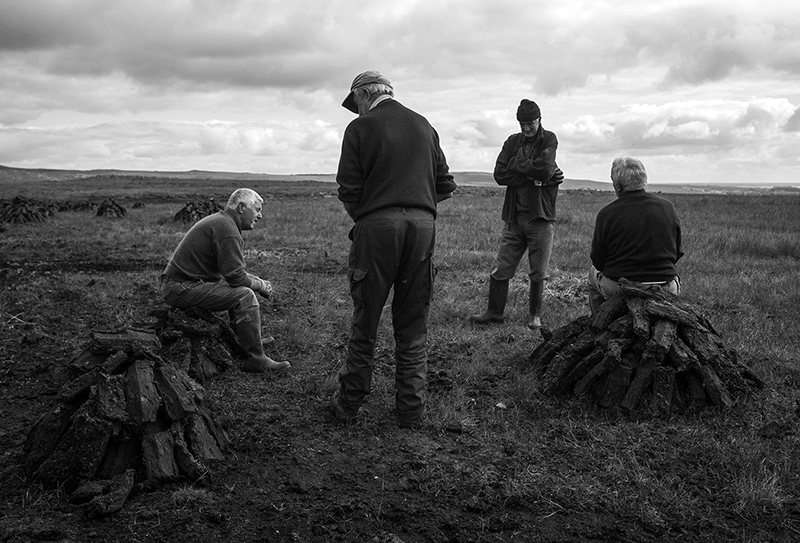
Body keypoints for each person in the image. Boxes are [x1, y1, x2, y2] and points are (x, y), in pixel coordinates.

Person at [330, 70, 457, 428]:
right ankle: (411, 411)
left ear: (364, 95)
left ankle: (348, 405)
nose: (356, 110)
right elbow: (445, 185)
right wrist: (417, 209)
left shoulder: (359, 129)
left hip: (377, 229)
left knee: (366, 319)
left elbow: (348, 190)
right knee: (413, 323)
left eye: (355, 103)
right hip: (423, 228)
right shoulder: (424, 126)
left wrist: (372, 218)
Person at [159, 188, 290, 373]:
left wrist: (258, 280)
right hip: (179, 287)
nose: (260, 216)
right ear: (242, 208)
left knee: (238, 288)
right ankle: (255, 359)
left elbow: (232, 273)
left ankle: (247, 340)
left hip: (184, 283)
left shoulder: (223, 222)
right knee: (244, 296)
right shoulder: (227, 229)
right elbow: (236, 277)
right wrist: (261, 285)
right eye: (257, 209)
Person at [470, 99, 563, 330]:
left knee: (538, 269)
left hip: (540, 217)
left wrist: (517, 165)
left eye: (530, 123)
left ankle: (534, 316)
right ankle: (494, 313)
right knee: (502, 265)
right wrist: (534, 175)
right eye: (522, 124)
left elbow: (546, 169)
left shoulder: (549, 139)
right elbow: (500, 174)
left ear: (539, 120)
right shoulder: (512, 141)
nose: (526, 128)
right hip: (514, 217)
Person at [588, 156, 683, 315]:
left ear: (617, 186)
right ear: (644, 180)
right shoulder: (668, 207)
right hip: (665, 287)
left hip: (621, 288)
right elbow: (677, 253)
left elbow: (598, 260)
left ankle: (599, 323)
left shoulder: (607, 214)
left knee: (592, 275)